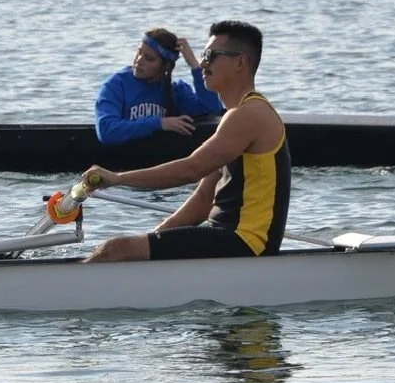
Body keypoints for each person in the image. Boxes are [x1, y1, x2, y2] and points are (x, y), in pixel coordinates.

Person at [82, 21, 289, 262]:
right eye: (203, 55)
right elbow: (203, 201)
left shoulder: (250, 114)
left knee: (114, 250)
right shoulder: (235, 117)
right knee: (126, 249)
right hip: (225, 237)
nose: (203, 63)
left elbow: (192, 169)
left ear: (240, 62)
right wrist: (154, 238)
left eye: (211, 55)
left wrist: (117, 179)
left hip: (248, 243)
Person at [94, 28, 223, 144]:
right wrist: (159, 123)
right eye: (139, 53)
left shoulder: (175, 90)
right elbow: (106, 131)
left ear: (165, 66)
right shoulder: (116, 85)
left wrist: (195, 66)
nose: (139, 60)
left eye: (149, 58)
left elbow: (212, 111)